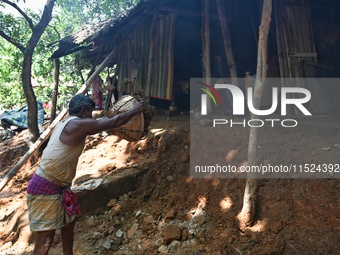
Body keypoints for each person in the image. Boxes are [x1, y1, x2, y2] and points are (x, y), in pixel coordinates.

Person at [26, 93, 144, 255]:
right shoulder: (76, 125)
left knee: (69, 224)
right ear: (83, 110)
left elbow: (104, 122)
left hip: (57, 186)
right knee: (45, 241)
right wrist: (135, 110)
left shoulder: (64, 123)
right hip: (46, 187)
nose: (91, 117)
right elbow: (114, 122)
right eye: (90, 113)